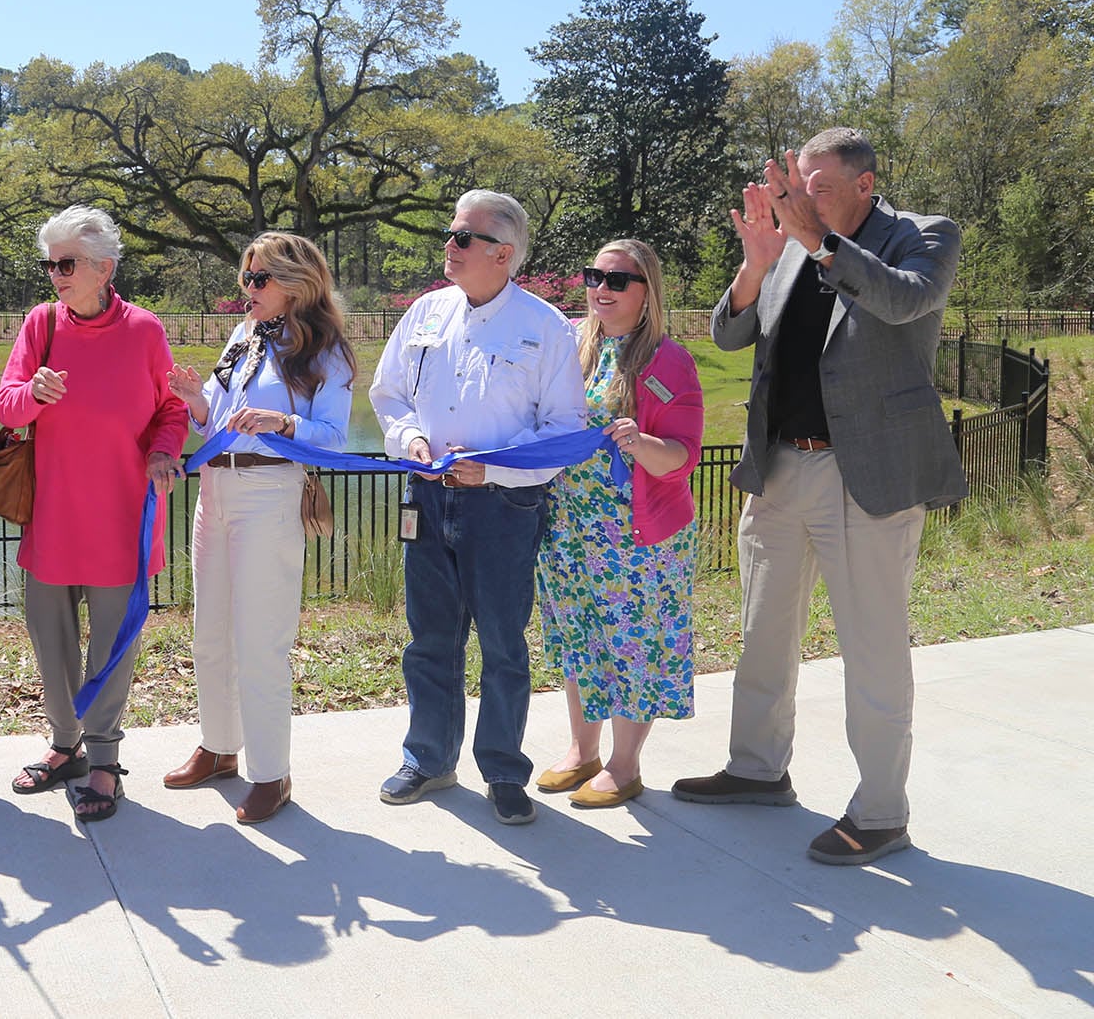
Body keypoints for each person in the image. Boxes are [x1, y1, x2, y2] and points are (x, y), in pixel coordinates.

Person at [674, 128, 965, 866]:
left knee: (872, 649)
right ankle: (757, 767)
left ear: (865, 184)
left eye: (820, 185)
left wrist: (822, 242)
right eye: (797, 184)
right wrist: (755, 265)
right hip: (780, 468)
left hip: (864, 476)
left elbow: (905, 302)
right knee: (761, 632)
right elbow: (732, 334)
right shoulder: (789, 240)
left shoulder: (920, 236)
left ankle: (881, 812)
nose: (801, 198)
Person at [367, 189, 585, 826]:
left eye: (465, 237)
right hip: (427, 499)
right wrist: (408, 438)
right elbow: (387, 395)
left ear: (504, 254)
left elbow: (563, 429)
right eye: (451, 233)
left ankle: (502, 769)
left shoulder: (545, 327)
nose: (450, 246)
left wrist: (492, 465)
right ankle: (428, 758)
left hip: (503, 508)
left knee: (502, 643)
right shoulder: (427, 312)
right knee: (430, 639)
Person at [0, 205, 188, 822]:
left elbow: (173, 410)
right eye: (49, 263)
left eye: (68, 264)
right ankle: (65, 747)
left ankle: (103, 761)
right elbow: (6, 408)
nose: (56, 274)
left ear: (104, 269)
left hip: (122, 518)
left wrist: (162, 453)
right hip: (52, 517)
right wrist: (34, 392)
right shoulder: (39, 324)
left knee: (111, 648)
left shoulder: (145, 331)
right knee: (50, 643)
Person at [163, 232, 355, 824]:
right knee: (210, 631)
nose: (246, 290)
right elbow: (214, 426)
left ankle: (272, 774)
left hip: (270, 493)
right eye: (245, 278)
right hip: (216, 490)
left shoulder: (327, 351)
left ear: (297, 284)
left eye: (258, 279)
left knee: (261, 642)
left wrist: (285, 421)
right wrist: (197, 402)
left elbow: (334, 439)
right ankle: (219, 747)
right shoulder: (243, 336)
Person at [533, 240, 703, 809]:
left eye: (618, 280)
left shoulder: (667, 360)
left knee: (633, 644)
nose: (601, 289)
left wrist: (641, 441)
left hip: (635, 537)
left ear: (646, 291)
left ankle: (626, 765)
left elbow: (683, 456)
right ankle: (584, 751)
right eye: (594, 276)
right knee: (579, 636)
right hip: (568, 529)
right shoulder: (572, 349)